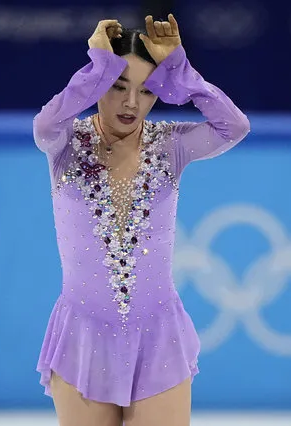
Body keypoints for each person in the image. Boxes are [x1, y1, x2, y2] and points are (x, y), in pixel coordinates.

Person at [33, 14, 250, 426]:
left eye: (147, 91)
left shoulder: (171, 144)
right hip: (84, 334)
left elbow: (233, 126)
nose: (132, 103)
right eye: (117, 87)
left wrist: (182, 74)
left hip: (158, 336)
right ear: (99, 85)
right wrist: (97, 68)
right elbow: (44, 123)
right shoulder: (66, 146)